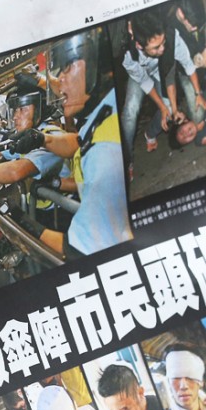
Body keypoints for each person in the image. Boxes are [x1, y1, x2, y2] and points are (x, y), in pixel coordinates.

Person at [48, 28, 133, 256]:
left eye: (68, 66)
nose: (61, 79)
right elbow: (77, 144)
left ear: (99, 66)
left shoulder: (104, 150)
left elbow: (78, 249)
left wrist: (22, 224)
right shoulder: (100, 114)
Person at [120, 9, 206, 156]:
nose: (162, 49)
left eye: (163, 42)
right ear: (140, 45)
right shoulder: (128, 54)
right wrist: (161, 106)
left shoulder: (171, 36)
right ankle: (126, 158)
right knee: (130, 112)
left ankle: (150, 134)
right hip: (139, 75)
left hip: (160, 71)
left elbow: (182, 67)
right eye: (156, 47)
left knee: (169, 111)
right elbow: (145, 82)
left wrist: (197, 94)